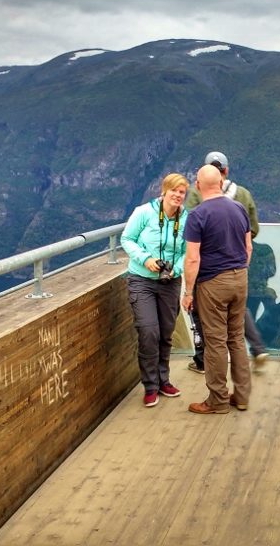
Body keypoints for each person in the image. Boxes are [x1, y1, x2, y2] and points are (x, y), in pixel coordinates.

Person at [185, 151, 268, 373]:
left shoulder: (196, 195)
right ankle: (257, 349)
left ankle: (203, 362)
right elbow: (253, 229)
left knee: (209, 324)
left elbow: (191, 230)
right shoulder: (243, 195)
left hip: (208, 268)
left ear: (200, 179)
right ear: (226, 171)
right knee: (237, 312)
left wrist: (188, 291)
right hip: (239, 264)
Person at [181, 164, 253, 414]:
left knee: (215, 342)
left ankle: (218, 400)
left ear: (198, 186)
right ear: (221, 183)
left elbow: (192, 259)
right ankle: (241, 397)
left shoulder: (198, 215)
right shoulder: (239, 209)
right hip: (240, 278)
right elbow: (248, 248)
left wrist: (189, 292)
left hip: (213, 282)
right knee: (236, 338)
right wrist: (240, 271)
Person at [120, 173, 189, 407]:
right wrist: (146, 259)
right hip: (142, 279)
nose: (178, 196)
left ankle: (163, 380)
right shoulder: (144, 213)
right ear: (164, 190)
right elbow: (127, 239)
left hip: (170, 283)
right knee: (149, 332)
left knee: (166, 333)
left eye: (182, 192)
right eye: (175, 191)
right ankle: (150, 386)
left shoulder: (185, 219)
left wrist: (176, 270)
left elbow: (187, 252)